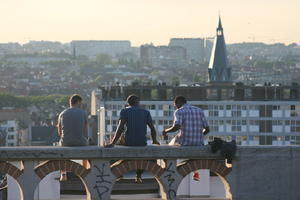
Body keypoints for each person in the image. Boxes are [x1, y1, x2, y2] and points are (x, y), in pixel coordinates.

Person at [106, 94, 160, 182]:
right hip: (141, 142)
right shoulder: (146, 112)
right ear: (138, 102)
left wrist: (112, 143)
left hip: (129, 142)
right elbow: (153, 130)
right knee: (141, 158)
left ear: (128, 103)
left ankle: (116, 172)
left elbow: (120, 129)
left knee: (122, 150)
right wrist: (154, 140)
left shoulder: (124, 111)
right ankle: (138, 175)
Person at [162, 96, 209, 181]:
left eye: (175, 105)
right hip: (198, 143)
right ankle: (195, 173)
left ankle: (170, 171)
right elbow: (207, 129)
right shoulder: (199, 110)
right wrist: (198, 136)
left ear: (178, 103)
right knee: (193, 159)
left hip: (184, 141)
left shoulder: (179, 111)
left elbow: (176, 127)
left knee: (166, 151)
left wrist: (165, 131)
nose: (176, 107)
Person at [57, 94, 88, 181]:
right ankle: (83, 171)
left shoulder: (62, 114)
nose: (81, 105)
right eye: (80, 103)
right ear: (78, 102)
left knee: (62, 151)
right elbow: (85, 131)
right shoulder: (83, 113)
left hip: (66, 142)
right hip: (81, 142)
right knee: (86, 149)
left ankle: (63, 173)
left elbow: (59, 132)